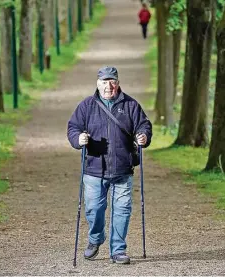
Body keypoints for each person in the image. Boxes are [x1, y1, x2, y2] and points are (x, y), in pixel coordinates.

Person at [67, 66, 153, 264]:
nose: (109, 86)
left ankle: (118, 249)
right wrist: (78, 139)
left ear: (118, 83)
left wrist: (143, 136)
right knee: (94, 209)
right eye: (104, 82)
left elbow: (144, 125)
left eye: (112, 81)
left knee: (122, 209)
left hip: (123, 169)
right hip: (94, 169)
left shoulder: (131, 105)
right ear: (98, 84)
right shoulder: (87, 106)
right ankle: (95, 239)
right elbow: (73, 127)